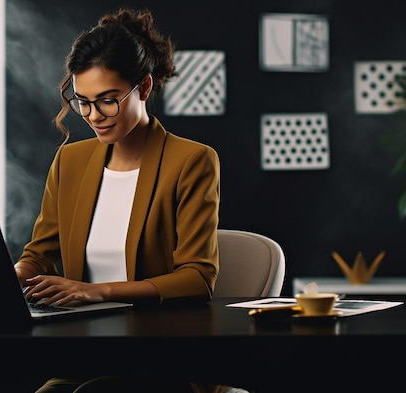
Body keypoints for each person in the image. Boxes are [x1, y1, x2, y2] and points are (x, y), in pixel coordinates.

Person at [13, 6, 243, 393]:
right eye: (82, 101)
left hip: (165, 358)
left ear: (145, 88)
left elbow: (197, 277)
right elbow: (39, 254)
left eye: (107, 100)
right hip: (84, 354)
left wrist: (95, 291)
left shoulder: (192, 161)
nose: (93, 116)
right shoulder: (70, 161)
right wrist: (9, 278)